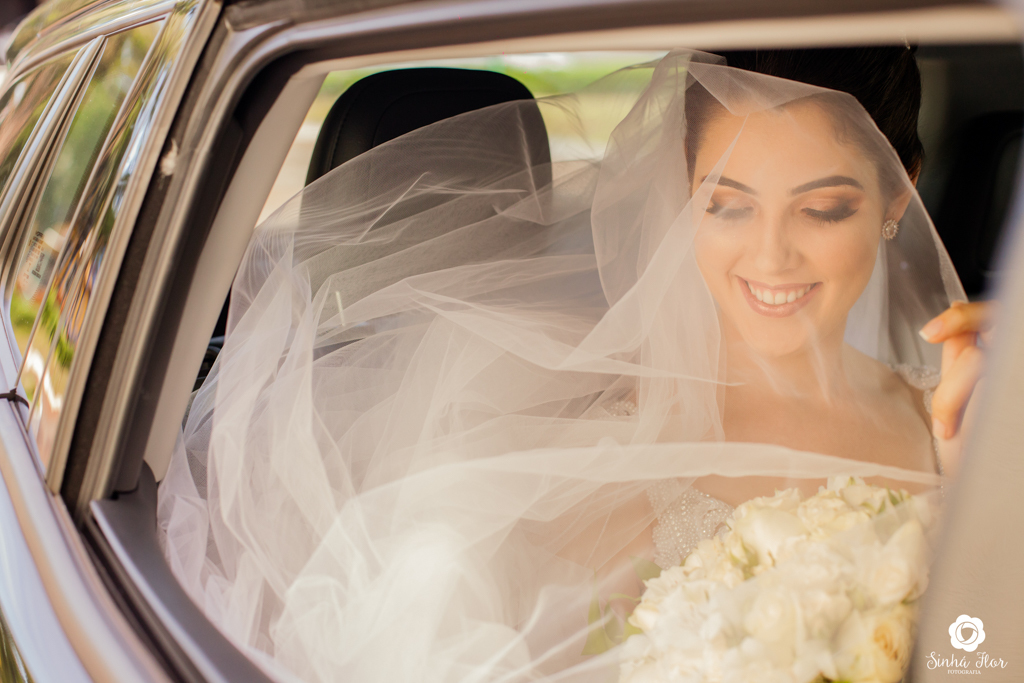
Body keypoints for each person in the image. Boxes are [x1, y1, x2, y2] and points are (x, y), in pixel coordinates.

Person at [157, 47, 991, 683]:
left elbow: (983, 655)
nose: (771, 256)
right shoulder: (587, 455)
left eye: (823, 208)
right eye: (727, 205)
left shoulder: (963, 424)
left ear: (899, 194)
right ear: (681, 194)